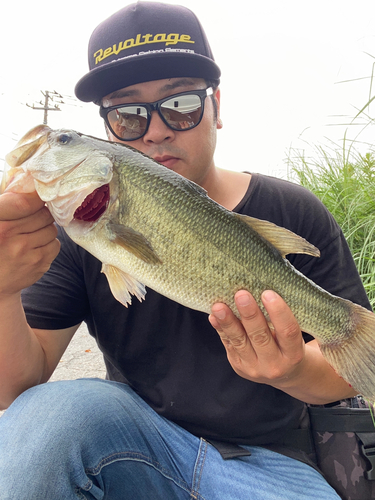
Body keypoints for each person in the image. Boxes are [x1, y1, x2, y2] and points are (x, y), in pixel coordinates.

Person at [0, 2, 370, 499]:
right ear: (109, 129)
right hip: (131, 444)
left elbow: (349, 377)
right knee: (55, 415)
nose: (155, 130)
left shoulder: (293, 209)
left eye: (180, 105)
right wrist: (3, 292)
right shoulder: (72, 234)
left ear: (217, 106)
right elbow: (17, 394)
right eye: (127, 115)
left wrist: (297, 372)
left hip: (274, 460)